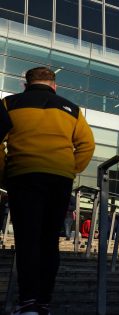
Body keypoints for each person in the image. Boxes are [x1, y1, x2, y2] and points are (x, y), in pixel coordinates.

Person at [0, 66, 95, 314]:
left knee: (27, 239)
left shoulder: (9, 104)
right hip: (59, 179)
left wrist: (4, 172)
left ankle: (28, 302)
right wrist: (70, 168)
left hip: (24, 175)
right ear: (54, 86)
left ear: (25, 84)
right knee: (49, 240)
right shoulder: (71, 109)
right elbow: (87, 144)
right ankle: (44, 302)